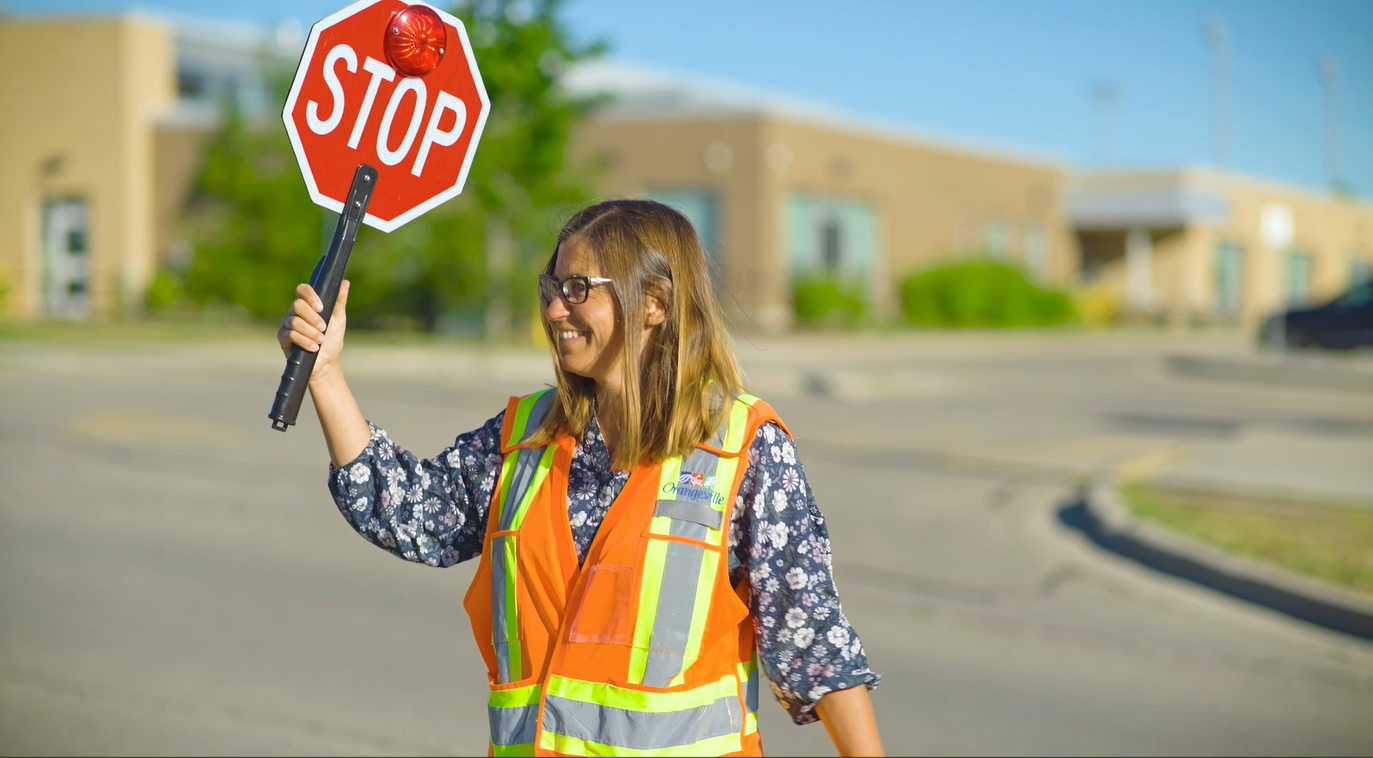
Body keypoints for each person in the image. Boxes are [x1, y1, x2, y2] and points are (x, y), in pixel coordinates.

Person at [278, 199, 884, 757]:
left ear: (655, 302)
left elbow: (814, 645)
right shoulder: (527, 434)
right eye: (551, 287)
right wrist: (326, 375)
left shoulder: (744, 449)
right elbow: (412, 517)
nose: (553, 309)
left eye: (578, 289)